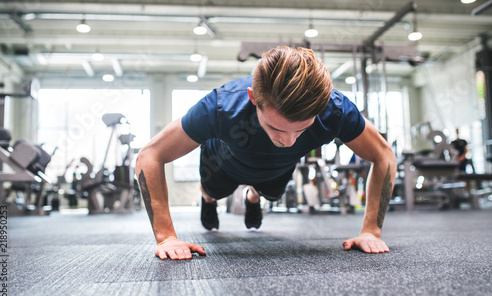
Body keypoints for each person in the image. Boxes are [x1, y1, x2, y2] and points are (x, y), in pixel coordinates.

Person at [135, 46, 397, 260]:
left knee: (269, 193)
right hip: (223, 163)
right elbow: (150, 155)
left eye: (302, 130)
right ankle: (209, 198)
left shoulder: (335, 111)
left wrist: (371, 232)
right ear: (252, 98)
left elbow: (383, 155)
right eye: (276, 127)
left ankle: (253, 196)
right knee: (214, 190)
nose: (289, 141)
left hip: (278, 169)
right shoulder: (220, 107)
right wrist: (166, 236)